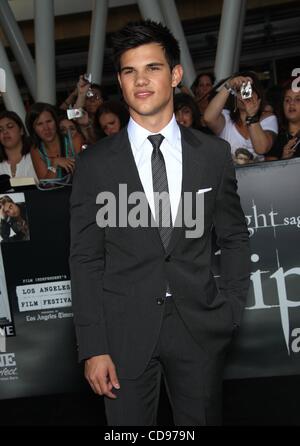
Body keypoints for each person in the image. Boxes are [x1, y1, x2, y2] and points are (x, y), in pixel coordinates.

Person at [70, 20, 250, 426]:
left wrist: (232, 309)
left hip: (198, 328)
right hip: (121, 335)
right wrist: (92, 346)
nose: (141, 81)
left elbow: (235, 236)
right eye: (130, 71)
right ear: (120, 80)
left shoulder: (213, 155)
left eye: (152, 68)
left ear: (174, 75)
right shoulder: (95, 164)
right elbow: (85, 258)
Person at [203, 71, 278, 161]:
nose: (245, 94)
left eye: (249, 89)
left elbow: (261, 148)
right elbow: (208, 118)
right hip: (230, 175)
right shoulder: (226, 118)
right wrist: (229, 85)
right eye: (239, 90)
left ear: (258, 93)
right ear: (233, 95)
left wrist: (252, 115)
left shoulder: (267, 118)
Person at [26, 103, 82, 179]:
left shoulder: (73, 139)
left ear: (56, 122)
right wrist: (54, 164)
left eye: (49, 121)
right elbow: (46, 185)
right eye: (39, 124)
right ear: (33, 129)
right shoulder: (36, 149)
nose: (46, 128)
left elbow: (84, 173)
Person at [265, 80, 300, 161]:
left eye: (298, 99)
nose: (291, 103)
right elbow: (269, 171)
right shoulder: (274, 137)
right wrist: (284, 159)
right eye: (287, 100)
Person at [0, 111, 37, 179]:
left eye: (10, 126)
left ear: (21, 130)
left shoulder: (36, 156)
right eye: (0, 130)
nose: (5, 132)